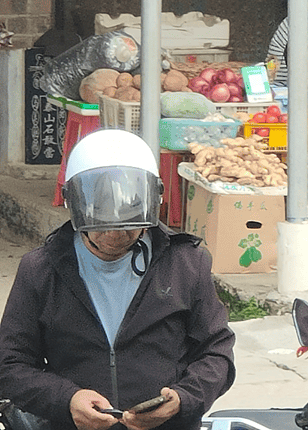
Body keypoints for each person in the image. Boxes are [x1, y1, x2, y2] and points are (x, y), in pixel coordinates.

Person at [0, 129, 236, 430]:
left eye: (128, 224)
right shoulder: (40, 270)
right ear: (77, 208)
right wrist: (67, 400)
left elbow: (217, 353)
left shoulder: (186, 263)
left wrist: (183, 398)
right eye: (100, 224)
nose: (114, 235)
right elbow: (11, 365)